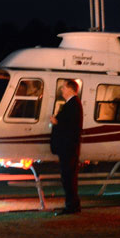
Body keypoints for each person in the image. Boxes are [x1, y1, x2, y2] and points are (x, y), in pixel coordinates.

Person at [49, 80, 83, 215]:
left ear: (70, 89)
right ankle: (72, 205)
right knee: (68, 177)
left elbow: (70, 126)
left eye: (63, 88)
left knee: (68, 177)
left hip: (68, 148)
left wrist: (56, 122)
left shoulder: (73, 105)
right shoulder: (73, 104)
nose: (62, 90)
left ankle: (72, 206)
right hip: (69, 148)